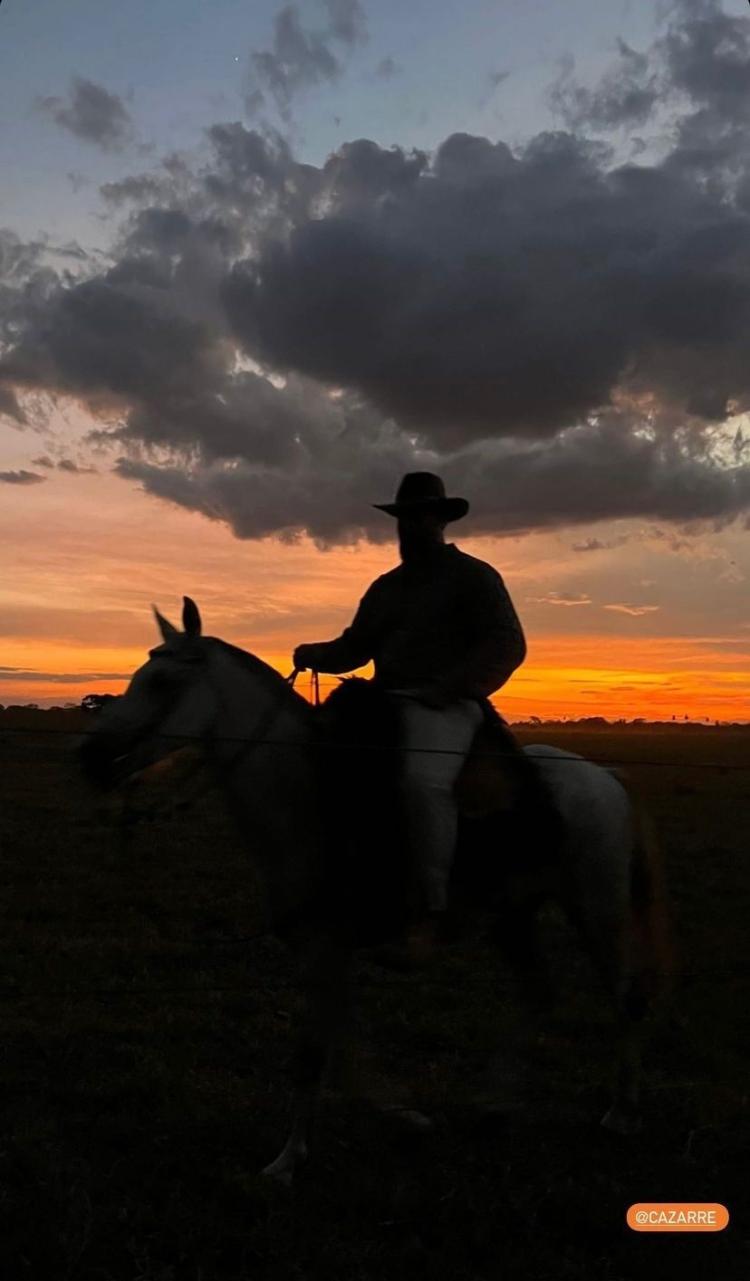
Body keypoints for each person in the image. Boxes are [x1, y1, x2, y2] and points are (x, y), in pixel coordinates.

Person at [293, 472, 527, 961]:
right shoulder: (386, 588)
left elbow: (507, 644)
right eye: (404, 518)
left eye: (421, 515)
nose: (410, 526)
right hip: (386, 701)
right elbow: (356, 647)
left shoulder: (475, 577)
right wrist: (313, 653)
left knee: (423, 782)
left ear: (440, 520)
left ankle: (432, 910)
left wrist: (448, 689)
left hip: (449, 704)